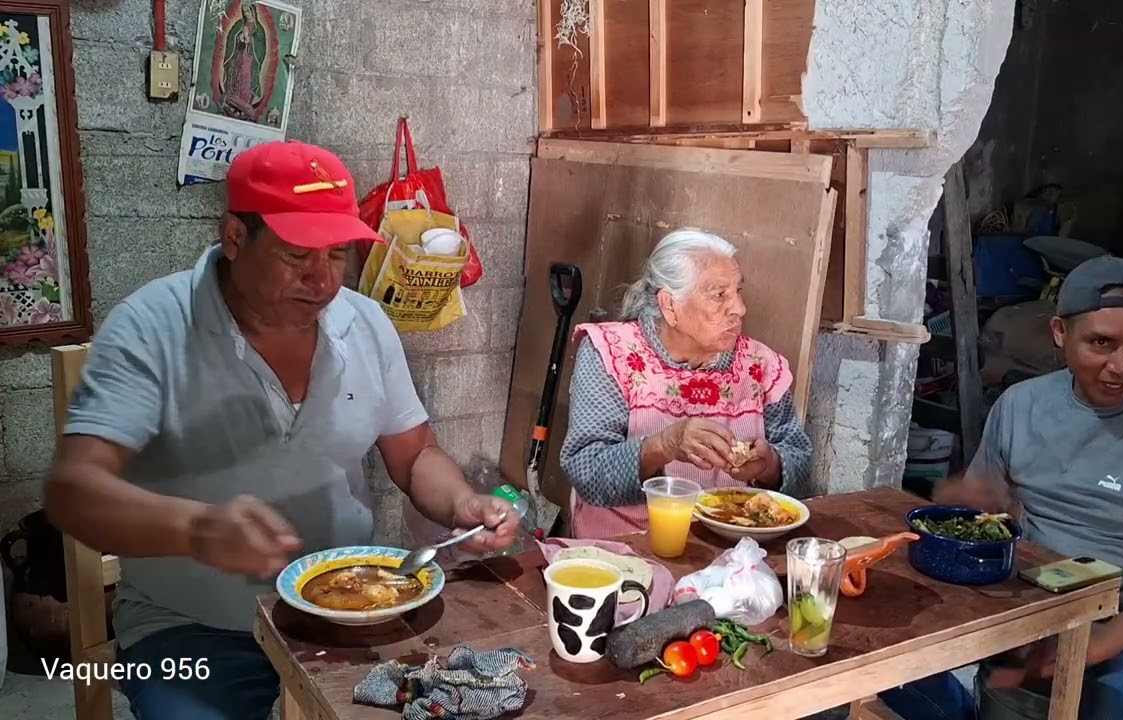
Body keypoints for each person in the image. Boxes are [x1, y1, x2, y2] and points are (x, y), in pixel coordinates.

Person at [43, 140, 519, 720]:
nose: (322, 281)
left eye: (337, 254)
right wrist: (197, 529)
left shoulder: (365, 322)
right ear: (235, 238)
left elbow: (415, 454)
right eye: (298, 255)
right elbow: (74, 491)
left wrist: (461, 503)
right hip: (195, 632)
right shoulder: (151, 328)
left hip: (352, 609)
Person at [879, 257, 1123, 720]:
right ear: (1060, 333)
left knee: (1118, 705)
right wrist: (963, 499)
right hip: (1030, 603)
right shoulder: (1022, 405)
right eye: (1101, 343)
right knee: (880, 660)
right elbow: (984, 506)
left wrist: (1090, 648)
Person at [559, 228, 813, 539]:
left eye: (738, 292)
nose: (739, 309)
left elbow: (800, 467)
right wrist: (664, 445)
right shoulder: (613, 354)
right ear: (669, 306)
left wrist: (769, 465)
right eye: (719, 295)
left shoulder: (761, 366)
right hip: (627, 547)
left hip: (732, 551)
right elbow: (588, 470)